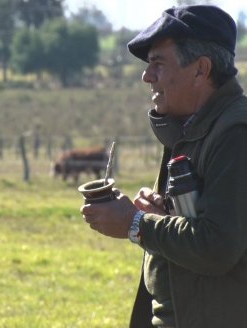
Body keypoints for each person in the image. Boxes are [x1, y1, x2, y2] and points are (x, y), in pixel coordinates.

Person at [81, 5, 247, 328]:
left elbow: (218, 245)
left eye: (158, 63)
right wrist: (161, 217)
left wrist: (137, 224)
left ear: (201, 70)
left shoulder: (235, 135)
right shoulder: (186, 129)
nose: (146, 76)